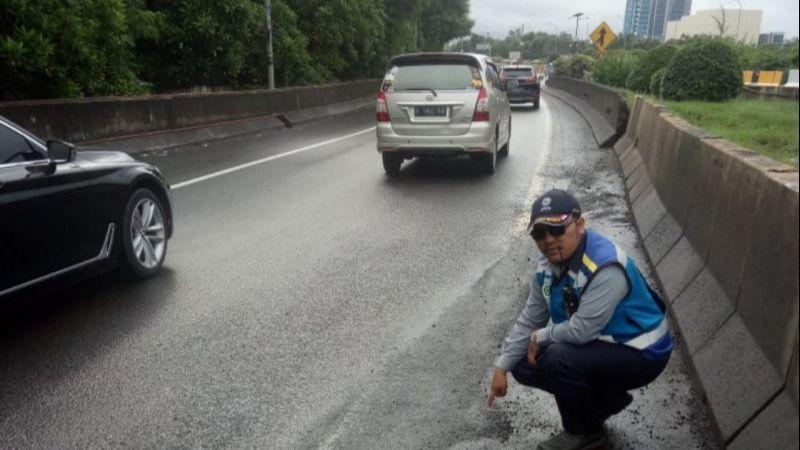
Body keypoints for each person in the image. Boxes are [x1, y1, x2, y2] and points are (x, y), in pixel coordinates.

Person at [487, 189, 673, 450]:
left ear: (580, 225)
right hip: (606, 342)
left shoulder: (604, 265)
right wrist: (501, 367)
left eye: (558, 229)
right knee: (522, 362)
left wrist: (542, 337)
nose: (549, 240)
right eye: (539, 233)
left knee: (556, 356)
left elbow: (581, 331)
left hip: (644, 351)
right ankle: (605, 401)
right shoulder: (547, 265)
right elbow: (531, 316)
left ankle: (584, 432)